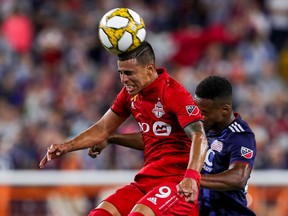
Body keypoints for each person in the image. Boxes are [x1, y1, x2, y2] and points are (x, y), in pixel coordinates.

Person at [39, 41, 208, 216]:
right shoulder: (130, 94)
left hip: (177, 183)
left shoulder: (174, 93)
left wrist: (191, 177)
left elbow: (200, 136)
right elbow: (103, 128)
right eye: (120, 73)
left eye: (129, 73)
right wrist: (66, 146)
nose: (124, 79)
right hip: (147, 181)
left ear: (149, 69)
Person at [91, 76, 257, 215]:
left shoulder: (239, 135)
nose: (199, 116)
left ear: (224, 110)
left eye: (204, 112)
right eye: (197, 109)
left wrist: (193, 178)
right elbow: (158, 139)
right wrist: (112, 138)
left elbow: (239, 177)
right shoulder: (197, 126)